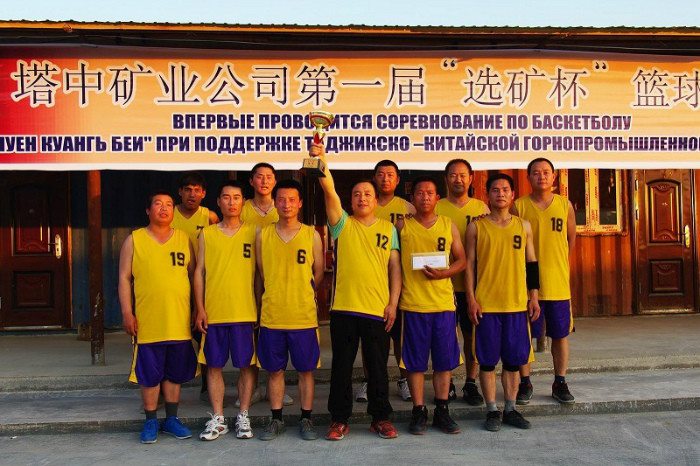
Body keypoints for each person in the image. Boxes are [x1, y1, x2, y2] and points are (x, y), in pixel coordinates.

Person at [311, 143, 401, 441]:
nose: (362, 198)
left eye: (367, 194)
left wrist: (393, 304)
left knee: (377, 368)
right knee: (341, 368)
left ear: (376, 200)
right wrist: (321, 158)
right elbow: (328, 189)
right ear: (350, 200)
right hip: (344, 310)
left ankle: (380, 418)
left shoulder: (389, 229)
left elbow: (395, 269)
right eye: (357, 194)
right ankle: (339, 419)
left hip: (377, 310)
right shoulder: (341, 224)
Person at [118, 191, 198, 444]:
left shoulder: (183, 239)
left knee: (175, 372)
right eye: (158, 204)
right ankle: (151, 419)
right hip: (148, 320)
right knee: (149, 373)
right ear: (148, 210)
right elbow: (124, 278)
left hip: (178, 319)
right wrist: (127, 312)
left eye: (168, 205)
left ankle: (171, 419)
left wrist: (197, 308)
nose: (164, 208)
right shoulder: (134, 240)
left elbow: (194, 276)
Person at [465, 174, 540, 432]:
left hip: (516, 305)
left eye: (505, 189)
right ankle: (491, 411)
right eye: (495, 190)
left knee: (512, 361)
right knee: (486, 362)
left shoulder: (523, 226)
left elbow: (532, 263)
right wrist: (471, 298)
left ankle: (510, 409)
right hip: (486, 305)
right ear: (487, 195)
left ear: (512, 194)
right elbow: (469, 266)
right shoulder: (476, 227)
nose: (500, 194)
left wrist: (534, 296)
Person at [256, 179, 324, 441]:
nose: (286, 204)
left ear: (300, 203)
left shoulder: (311, 234)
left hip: (303, 316)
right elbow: (261, 273)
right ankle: (277, 420)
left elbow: (318, 273)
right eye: (281, 199)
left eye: (292, 199)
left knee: (306, 371)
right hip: (272, 315)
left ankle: (306, 419)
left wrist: (301, 291)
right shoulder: (263, 235)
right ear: (275, 202)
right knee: (275, 371)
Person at [396, 176, 466, 435]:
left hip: (443, 304)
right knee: (415, 363)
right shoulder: (402, 226)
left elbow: (462, 260)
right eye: (420, 193)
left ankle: (442, 409)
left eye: (430, 193)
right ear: (412, 198)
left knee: (443, 361)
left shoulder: (448, 225)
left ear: (438, 198)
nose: (425, 197)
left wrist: (445, 273)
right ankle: (418, 410)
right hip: (412, 304)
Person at [194, 181, 257, 441]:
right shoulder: (207, 234)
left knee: (246, 366)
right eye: (226, 197)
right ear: (218, 202)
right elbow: (199, 272)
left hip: (245, 312)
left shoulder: (255, 232)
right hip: (215, 312)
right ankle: (218, 418)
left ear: (243, 202)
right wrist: (200, 308)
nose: (231, 202)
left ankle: (243, 415)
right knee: (214, 366)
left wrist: (260, 306)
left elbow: (261, 275)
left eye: (236, 197)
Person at [513, 157, 577, 405]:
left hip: (558, 284)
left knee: (560, 335)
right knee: (525, 335)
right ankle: (525, 382)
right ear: (528, 177)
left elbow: (571, 240)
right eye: (536, 172)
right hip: (527, 285)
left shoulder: (564, 205)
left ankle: (560, 382)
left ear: (554, 176)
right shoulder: (519, 206)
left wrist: (557, 263)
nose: (541, 176)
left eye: (546, 172)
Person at [353, 160, 415, 403]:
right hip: (369, 283)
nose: (385, 179)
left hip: (400, 279)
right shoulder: (365, 204)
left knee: (399, 336)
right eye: (381, 174)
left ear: (398, 179)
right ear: (374, 178)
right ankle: (369, 380)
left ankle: (402, 379)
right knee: (369, 339)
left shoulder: (408, 207)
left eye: (390, 175)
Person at [237, 163, 293, 407]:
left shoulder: (282, 206)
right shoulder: (242, 208)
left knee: (275, 336)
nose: (264, 181)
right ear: (251, 181)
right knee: (250, 335)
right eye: (259, 177)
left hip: (276, 281)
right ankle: (253, 388)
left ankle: (275, 388)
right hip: (244, 278)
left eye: (269, 177)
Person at [434, 158, 488, 405]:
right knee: (446, 338)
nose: (458, 179)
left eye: (463, 175)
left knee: (471, 336)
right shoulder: (436, 207)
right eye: (453, 175)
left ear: (471, 178)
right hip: (440, 285)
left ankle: (470, 382)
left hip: (473, 286)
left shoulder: (481, 208)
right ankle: (448, 384)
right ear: (446, 179)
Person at [171, 171, 218, 402]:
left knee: (204, 338)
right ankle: (166, 388)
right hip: (175, 285)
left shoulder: (210, 216)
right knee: (172, 337)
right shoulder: (169, 214)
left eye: (197, 190)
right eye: (187, 190)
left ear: (204, 194)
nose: (192, 194)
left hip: (204, 285)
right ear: (180, 192)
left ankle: (207, 386)